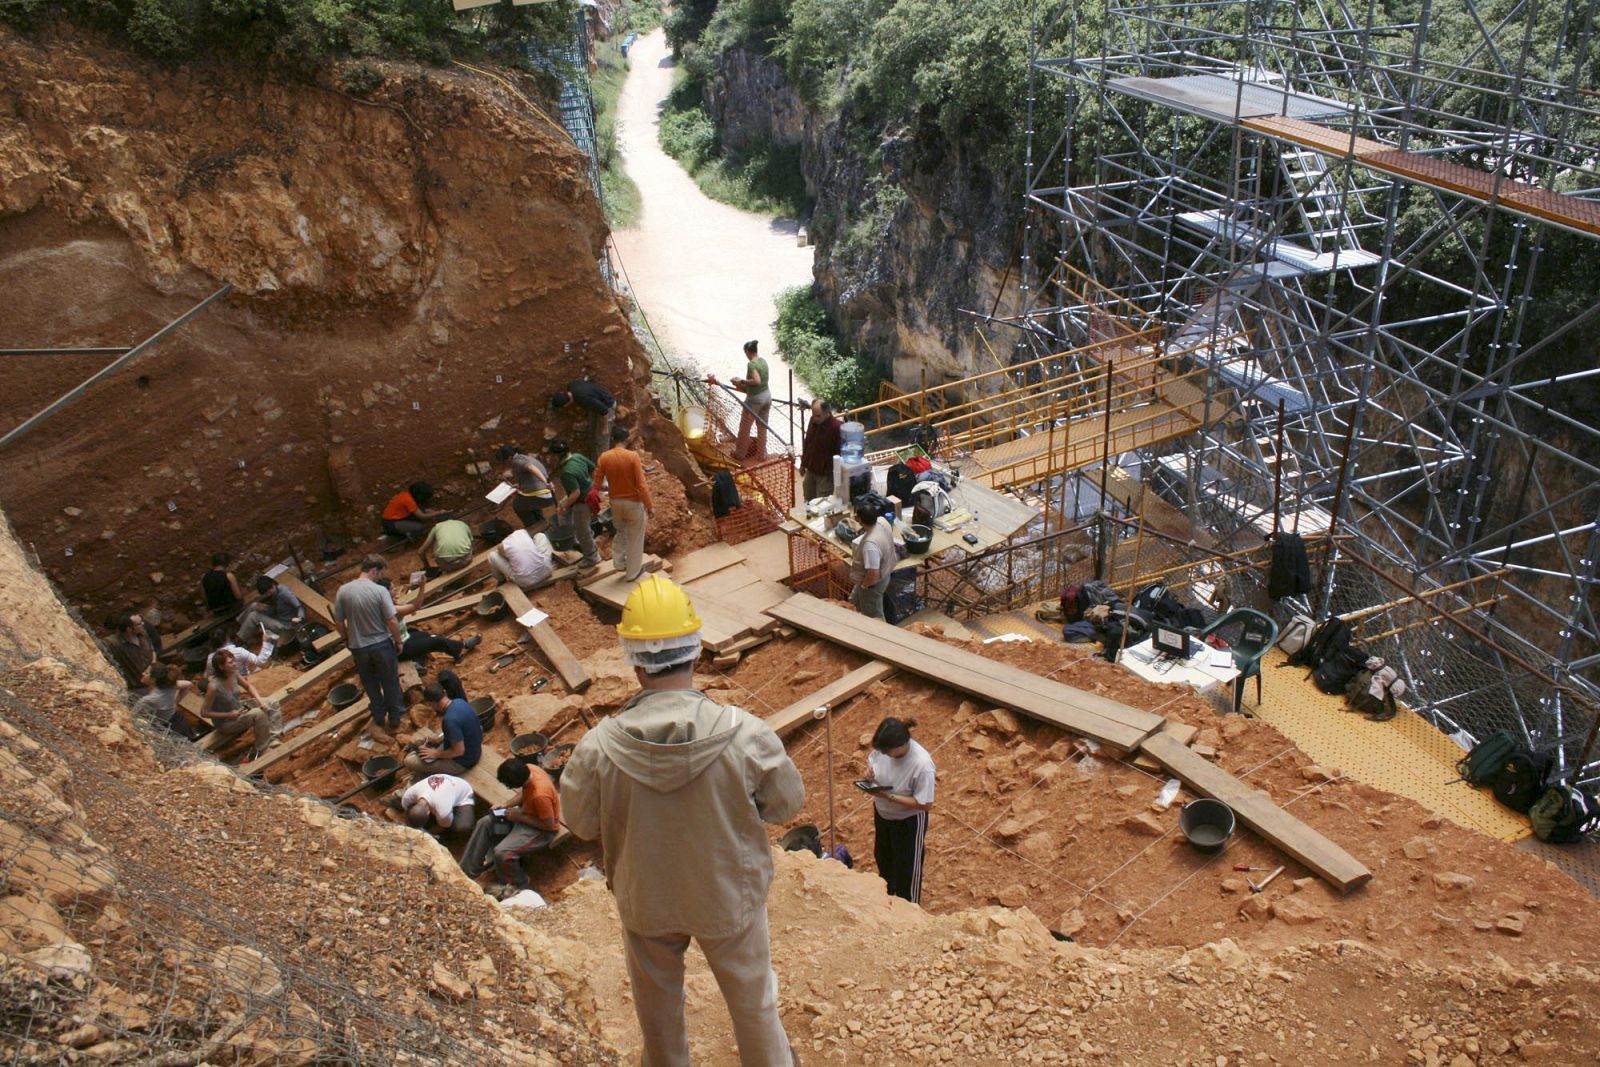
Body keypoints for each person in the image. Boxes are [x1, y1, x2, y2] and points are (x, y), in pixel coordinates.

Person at [560, 575, 804, 1066]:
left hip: (646, 899)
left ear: (634, 663)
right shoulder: (745, 734)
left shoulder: (597, 747)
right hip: (727, 894)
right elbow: (785, 806)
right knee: (753, 1001)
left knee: (658, 1009)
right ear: (696, 652)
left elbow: (580, 823)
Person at [460, 759, 562, 895]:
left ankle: (518, 886)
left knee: (503, 852)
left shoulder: (540, 795)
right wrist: (506, 805)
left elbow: (549, 824)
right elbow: (524, 793)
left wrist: (519, 817)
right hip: (525, 815)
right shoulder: (530, 769)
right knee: (485, 823)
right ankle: (466, 871)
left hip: (541, 830)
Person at [862, 717, 936, 904]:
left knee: (907, 869)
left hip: (908, 821)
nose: (884, 754)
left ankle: (909, 908)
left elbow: (925, 804)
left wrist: (889, 797)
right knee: (884, 859)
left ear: (901, 745)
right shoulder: (883, 750)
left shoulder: (922, 765)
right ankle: (888, 901)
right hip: (883, 815)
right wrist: (869, 776)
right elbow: (873, 761)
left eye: (887, 751)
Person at [332, 555, 406, 739]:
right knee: (390, 681)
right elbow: (391, 620)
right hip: (381, 644)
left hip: (358, 647)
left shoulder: (343, 591)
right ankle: (395, 718)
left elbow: (339, 622)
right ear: (374, 570)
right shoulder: (379, 591)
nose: (380, 578)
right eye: (380, 573)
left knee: (370, 682)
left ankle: (379, 716)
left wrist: (347, 639)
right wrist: (398, 641)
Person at [594, 423, 654, 582]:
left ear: (613, 439)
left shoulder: (604, 457)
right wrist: (650, 506)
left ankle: (619, 563)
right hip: (633, 503)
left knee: (621, 532)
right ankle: (633, 573)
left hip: (615, 502)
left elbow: (597, 483)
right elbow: (642, 485)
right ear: (627, 439)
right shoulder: (632, 457)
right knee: (635, 538)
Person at [197, 649, 279, 760]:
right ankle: (262, 748)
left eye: (234, 660)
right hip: (226, 722)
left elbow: (248, 686)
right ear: (221, 667)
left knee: (272, 702)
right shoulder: (214, 687)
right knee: (258, 714)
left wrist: (260, 701)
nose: (235, 664)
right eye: (230, 662)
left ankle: (274, 737)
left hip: (238, 708)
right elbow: (204, 712)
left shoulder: (234, 673)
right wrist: (228, 715)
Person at [382, 576, 482, 664]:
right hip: (399, 648)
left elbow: (410, 609)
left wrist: (407, 608)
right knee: (437, 641)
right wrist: (422, 587)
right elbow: (416, 606)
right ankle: (462, 647)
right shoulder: (391, 608)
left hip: (402, 640)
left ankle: (419, 660)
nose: (395, 589)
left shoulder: (389, 604)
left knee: (425, 635)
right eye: (392, 588)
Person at [402, 682, 483, 777]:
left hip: (463, 763)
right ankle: (428, 751)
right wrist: (438, 741)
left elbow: (459, 751)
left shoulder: (449, 720)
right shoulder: (460, 701)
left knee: (408, 761)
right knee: (423, 745)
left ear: (431, 703)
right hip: (475, 751)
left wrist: (436, 754)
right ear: (444, 692)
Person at [710, 340, 772, 462]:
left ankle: (739, 454)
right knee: (762, 428)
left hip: (755, 400)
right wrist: (742, 385)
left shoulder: (752, 364)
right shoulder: (763, 361)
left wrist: (741, 381)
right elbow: (760, 383)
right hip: (767, 396)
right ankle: (762, 455)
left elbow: (757, 381)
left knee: (744, 428)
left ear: (747, 352)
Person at [547, 441, 600, 570]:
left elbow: (576, 493)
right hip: (588, 492)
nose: (551, 458)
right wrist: (590, 484)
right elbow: (593, 468)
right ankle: (574, 538)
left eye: (552, 455)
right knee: (565, 512)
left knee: (583, 531)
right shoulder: (577, 456)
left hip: (582, 501)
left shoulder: (566, 472)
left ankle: (592, 557)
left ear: (557, 456)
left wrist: (563, 507)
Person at [848, 500, 898, 620]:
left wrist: (865, 587)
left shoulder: (870, 545)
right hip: (884, 573)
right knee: (853, 602)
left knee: (873, 616)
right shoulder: (882, 521)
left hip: (872, 584)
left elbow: (873, 573)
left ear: (860, 520)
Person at [550, 377, 616, 458]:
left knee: (601, 438)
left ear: (567, 403)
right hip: (597, 403)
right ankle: (594, 458)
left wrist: (605, 428)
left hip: (607, 405)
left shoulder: (583, 398)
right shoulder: (571, 385)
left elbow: (605, 411)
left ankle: (602, 461)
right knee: (592, 432)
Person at [131, 663, 196, 740]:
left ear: (153, 680)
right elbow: (188, 684)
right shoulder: (170, 685)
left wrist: (176, 702)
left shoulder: (148, 699)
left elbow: (131, 717)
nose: (143, 673)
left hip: (170, 730)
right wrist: (176, 702)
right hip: (178, 720)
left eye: (146, 673)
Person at [497, 446, 557, 528]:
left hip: (543, 495)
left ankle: (534, 528)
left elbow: (531, 468)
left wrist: (546, 483)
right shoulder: (525, 457)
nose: (505, 464)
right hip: (548, 494)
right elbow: (531, 477)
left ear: (510, 458)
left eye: (505, 461)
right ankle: (541, 522)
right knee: (527, 501)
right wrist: (519, 485)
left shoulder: (517, 462)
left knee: (518, 505)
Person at [398, 772, 477, 835]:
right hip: (444, 784)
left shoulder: (443, 811)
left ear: (428, 812)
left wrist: (426, 834)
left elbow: (442, 827)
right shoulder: (407, 797)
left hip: (462, 792)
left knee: (462, 827)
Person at [234, 576, 304, 642]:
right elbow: (278, 609)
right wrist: (265, 608)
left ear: (273, 585)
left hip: (285, 626)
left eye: (269, 591)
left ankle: (240, 639)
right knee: (254, 605)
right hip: (278, 615)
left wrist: (299, 618)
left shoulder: (285, 593)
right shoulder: (275, 592)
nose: (268, 594)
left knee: (253, 616)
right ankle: (238, 624)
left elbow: (299, 607)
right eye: (266, 593)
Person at [488, 526, 555, 591]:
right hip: (547, 570)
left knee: (492, 555)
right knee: (540, 536)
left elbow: (505, 557)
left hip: (527, 581)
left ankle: (501, 580)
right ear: (512, 529)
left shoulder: (502, 546)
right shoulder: (522, 532)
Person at [800, 398, 842, 501]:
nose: (814, 418)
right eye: (813, 415)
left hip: (825, 474)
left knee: (821, 503)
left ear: (827, 413)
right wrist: (803, 463)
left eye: (818, 416)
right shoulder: (813, 420)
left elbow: (839, 453)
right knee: (808, 498)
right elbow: (808, 442)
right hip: (811, 469)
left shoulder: (837, 427)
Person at [106, 612, 155, 692]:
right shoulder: (112, 644)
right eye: (138, 624)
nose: (142, 625)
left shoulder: (142, 633)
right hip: (136, 687)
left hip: (153, 681)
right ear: (129, 629)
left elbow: (152, 650)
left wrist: (152, 665)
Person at [382, 481, 447, 539]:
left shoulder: (406, 495)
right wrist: (439, 513)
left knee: (420, 519)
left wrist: (438, 513)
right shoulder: (408, 500)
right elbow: (422, 516)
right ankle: (402, 535)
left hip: (394, 519)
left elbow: (423, 510)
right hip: (391, 524)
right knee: (420, 527)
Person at [205, 625, 276, 678]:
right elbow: (259, 661)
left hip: (226, 683)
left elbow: (209, 675)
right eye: (231, 662)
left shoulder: (210, 658)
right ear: (227, 638)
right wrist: (266, 642)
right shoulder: (239, 651)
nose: (233, 663)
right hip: (242, 679)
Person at [201, 553, 243, 617]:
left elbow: (204, 597)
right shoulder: (229, 576)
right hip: (232, 610)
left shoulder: (204, 577)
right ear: (228, 564)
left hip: (216, 612)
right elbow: (238, 596)